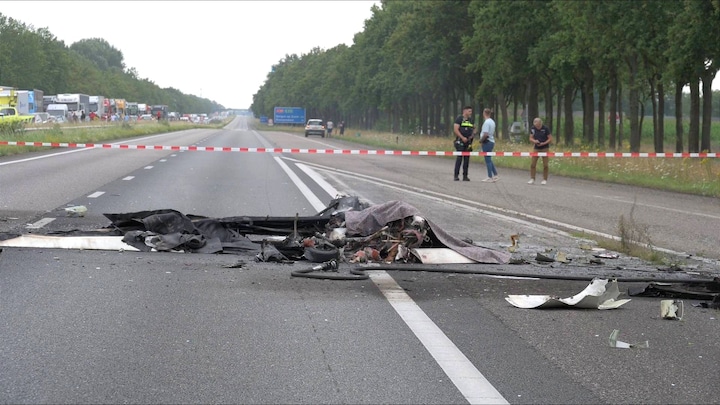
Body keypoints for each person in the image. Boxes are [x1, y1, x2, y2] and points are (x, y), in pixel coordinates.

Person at [453, 105, 475, 181]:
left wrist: (472, 135)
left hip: (468, 142)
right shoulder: (459, 119)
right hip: (460, 141)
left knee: (467, 159)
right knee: (459, 158)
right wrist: (462, 137)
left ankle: (465, 175)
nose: (470, 113)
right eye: (469, 111)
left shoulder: (471, 120)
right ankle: (456, 175)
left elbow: (473, 129)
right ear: (464, 111)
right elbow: (456, 129)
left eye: (471, 111)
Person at [528, 117, 553, 185]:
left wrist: (544, 143)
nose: (537, 127)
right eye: (536, 126)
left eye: (538, 125)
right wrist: (534, 141)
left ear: (540, 123)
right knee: (533, 164)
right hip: (536, 148)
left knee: (545, 165)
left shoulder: (545, 129)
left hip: (545, 148)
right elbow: (530, 138)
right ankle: (532, 178)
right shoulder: (533, 128)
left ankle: (545, 179)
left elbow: (550, 139)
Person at [479, 108, 498, 182]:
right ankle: (495, 174)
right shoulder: (492, 121)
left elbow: (486, 134)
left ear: (484, 113)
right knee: (489, 159)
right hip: (491, 141)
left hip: (487, 142)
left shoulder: (486, 122)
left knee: (487, 160)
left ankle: (489, 176)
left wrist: (481, 141)